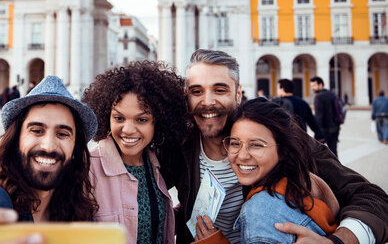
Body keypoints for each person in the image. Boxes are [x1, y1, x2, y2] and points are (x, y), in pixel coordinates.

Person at [158, 49, 388, 244]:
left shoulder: (276, 135)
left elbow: (372, 198)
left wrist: (338, 241)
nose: (207, 101)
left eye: (220, 90)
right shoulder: (181, 143)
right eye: (196, 91)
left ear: (238, 94)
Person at [0, 75, 98, 244]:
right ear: (17, 139)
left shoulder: (79, 211)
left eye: (63, 134)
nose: (49, 146)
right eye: (37, 130)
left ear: (75, 149)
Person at [198, 98, 340, 243]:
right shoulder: (301, 182)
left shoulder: (260, 212)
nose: (242, 156)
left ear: (283, 150)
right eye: (235, 143)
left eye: (256, 145)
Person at [82, 61, 187, 244]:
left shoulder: (157, 165)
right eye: (119, 118)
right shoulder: (87, 168)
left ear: (158, 122)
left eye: (141, 120)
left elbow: (151, 219)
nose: (128, 129)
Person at [310, 76, 340, 156]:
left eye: (314, 85)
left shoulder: (319, 97)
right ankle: (336, 167)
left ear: (321, 84)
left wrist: (317, 132)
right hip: (335, 127)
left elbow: (319, 116)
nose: (312, 88)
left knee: (315, 152)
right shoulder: (332, 94)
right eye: (311, 86)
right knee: (333, 151)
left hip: (324, 129)